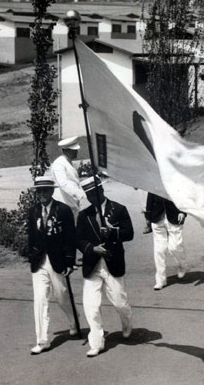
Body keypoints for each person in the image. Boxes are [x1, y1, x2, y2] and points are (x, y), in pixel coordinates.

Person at [76, 176, 134, 357]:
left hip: (113, 264)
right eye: (88, 195)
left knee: (119, 302)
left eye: (94, 193)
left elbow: (129, 233)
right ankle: (97, 342)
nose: (91, 197)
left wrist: (112, 232)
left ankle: (126, 323)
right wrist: (92, 248)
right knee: (91, 305)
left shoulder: (118, 209)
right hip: (92, 265)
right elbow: (78, 239)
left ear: (101, 191)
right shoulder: (83, 215)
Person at [27, 176, 77, 355]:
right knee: (40, 300)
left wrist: (70, 261)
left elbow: (71, 238)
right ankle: (42, 340)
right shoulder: (32, 211)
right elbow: (31, 237)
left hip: (58, 261)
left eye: (45, 190)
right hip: (39, 262)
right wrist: (31, 256)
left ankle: (73, 321)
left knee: (61, 295)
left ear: (52, 191)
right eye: (39, 191)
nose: (42, 194)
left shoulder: (63, 210)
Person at [145, 193, 187, 290]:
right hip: (157, 218)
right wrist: (148, 217)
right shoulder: (154, 180)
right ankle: (160, 280)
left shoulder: (176, 179)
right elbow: (150, 198)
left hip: (174, 216)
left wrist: (182, 212)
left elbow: (182, 195)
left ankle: (182, 265)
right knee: (159, 251)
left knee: (175, 247)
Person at [49, 136, 85, 220]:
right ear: (66, 150)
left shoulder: (68, 162)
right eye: (74, 150)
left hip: (72, 204)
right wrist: (81, 195)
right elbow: (63, 183)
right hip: (63, 204)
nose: (77, 152)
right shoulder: (59, 164)